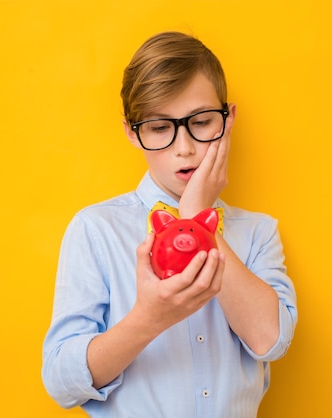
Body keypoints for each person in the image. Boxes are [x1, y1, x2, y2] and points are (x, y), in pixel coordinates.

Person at [41, 31, 297, 417]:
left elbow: (270, 341)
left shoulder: (257, 232)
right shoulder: (97, 229)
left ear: (228, 121)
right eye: (160, 128)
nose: (184, 148)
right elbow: (62, 383)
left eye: (202, 121)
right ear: (132, 132)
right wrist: (148, 318)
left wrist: (197, 219)